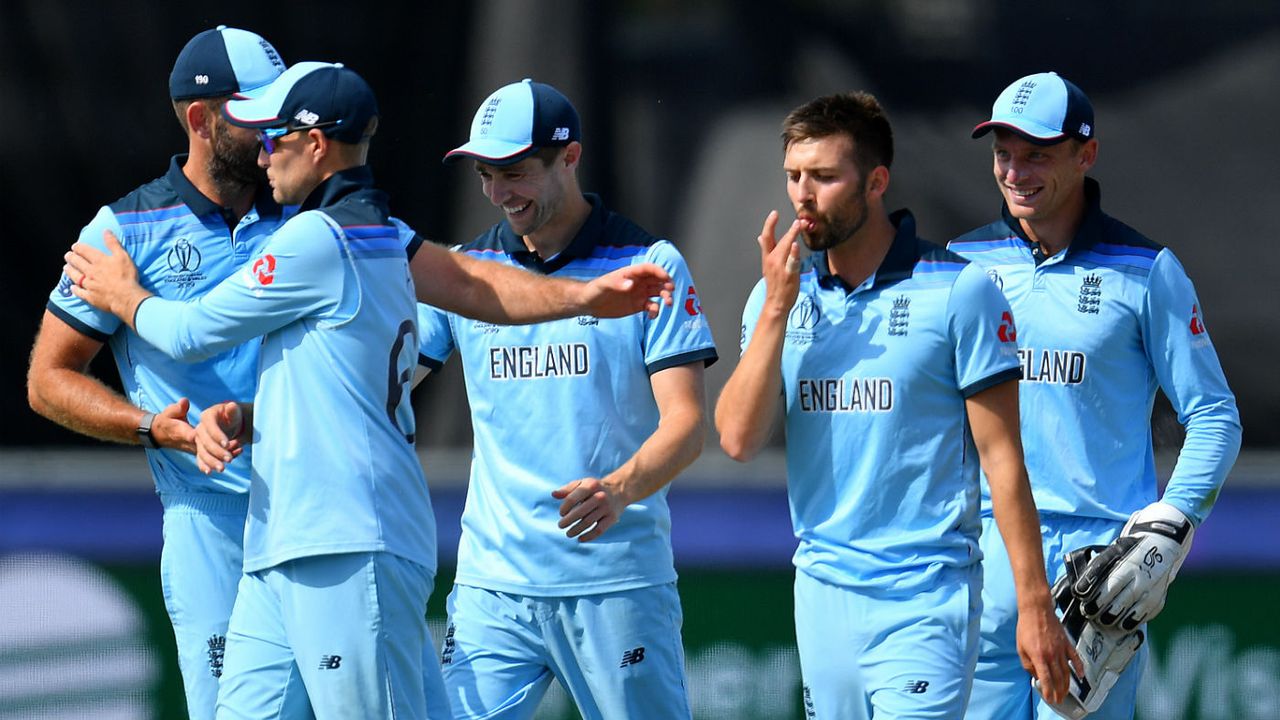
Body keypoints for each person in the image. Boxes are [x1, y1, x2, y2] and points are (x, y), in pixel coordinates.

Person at [63, 62, 675, 719]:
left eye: (276, 140)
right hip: (288, 538)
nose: (263, 155)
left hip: (349, 540)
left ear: (317, 145)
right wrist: (252, 413)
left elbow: (187, 334)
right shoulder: (386, 234)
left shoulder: (317, 240)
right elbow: (474, 287)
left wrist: (121, 293)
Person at [714, 90, 1079, 719]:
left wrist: (1033, 606)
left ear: (876, 181)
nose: (803, 194)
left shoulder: (961, 290)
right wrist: (775, 308)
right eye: (794, 177)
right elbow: (739, 440)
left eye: (825, 177)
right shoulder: (776, 297)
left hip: (926, 595)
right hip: (821, 591)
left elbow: (1003, 460)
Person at [421, 78, 717, 719]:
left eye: (516, 173)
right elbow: (381, 383)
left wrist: (620, 488)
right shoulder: (465, 272)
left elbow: (689, 425)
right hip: (491, 589)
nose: (500, 194)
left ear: (570, 158)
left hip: (615, 583)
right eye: (486, 176)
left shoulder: (649, 262)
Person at [949, 71, 1242, 719]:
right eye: (1003, 152)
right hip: (976, 563)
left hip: (1091, 579)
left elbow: (1214, 414)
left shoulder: (1145, 271)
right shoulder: (958, 266)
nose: (1015, 172)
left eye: (1037, 155)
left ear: (1087, 154)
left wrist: (1172, 522)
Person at [25, 25, 287, 718]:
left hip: (321, 510)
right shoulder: (122, 231)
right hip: (211, 527)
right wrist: (151, 427)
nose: (274, 130)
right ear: (201, 120)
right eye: (254, 114)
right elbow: (49, 379)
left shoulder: (308, 214)